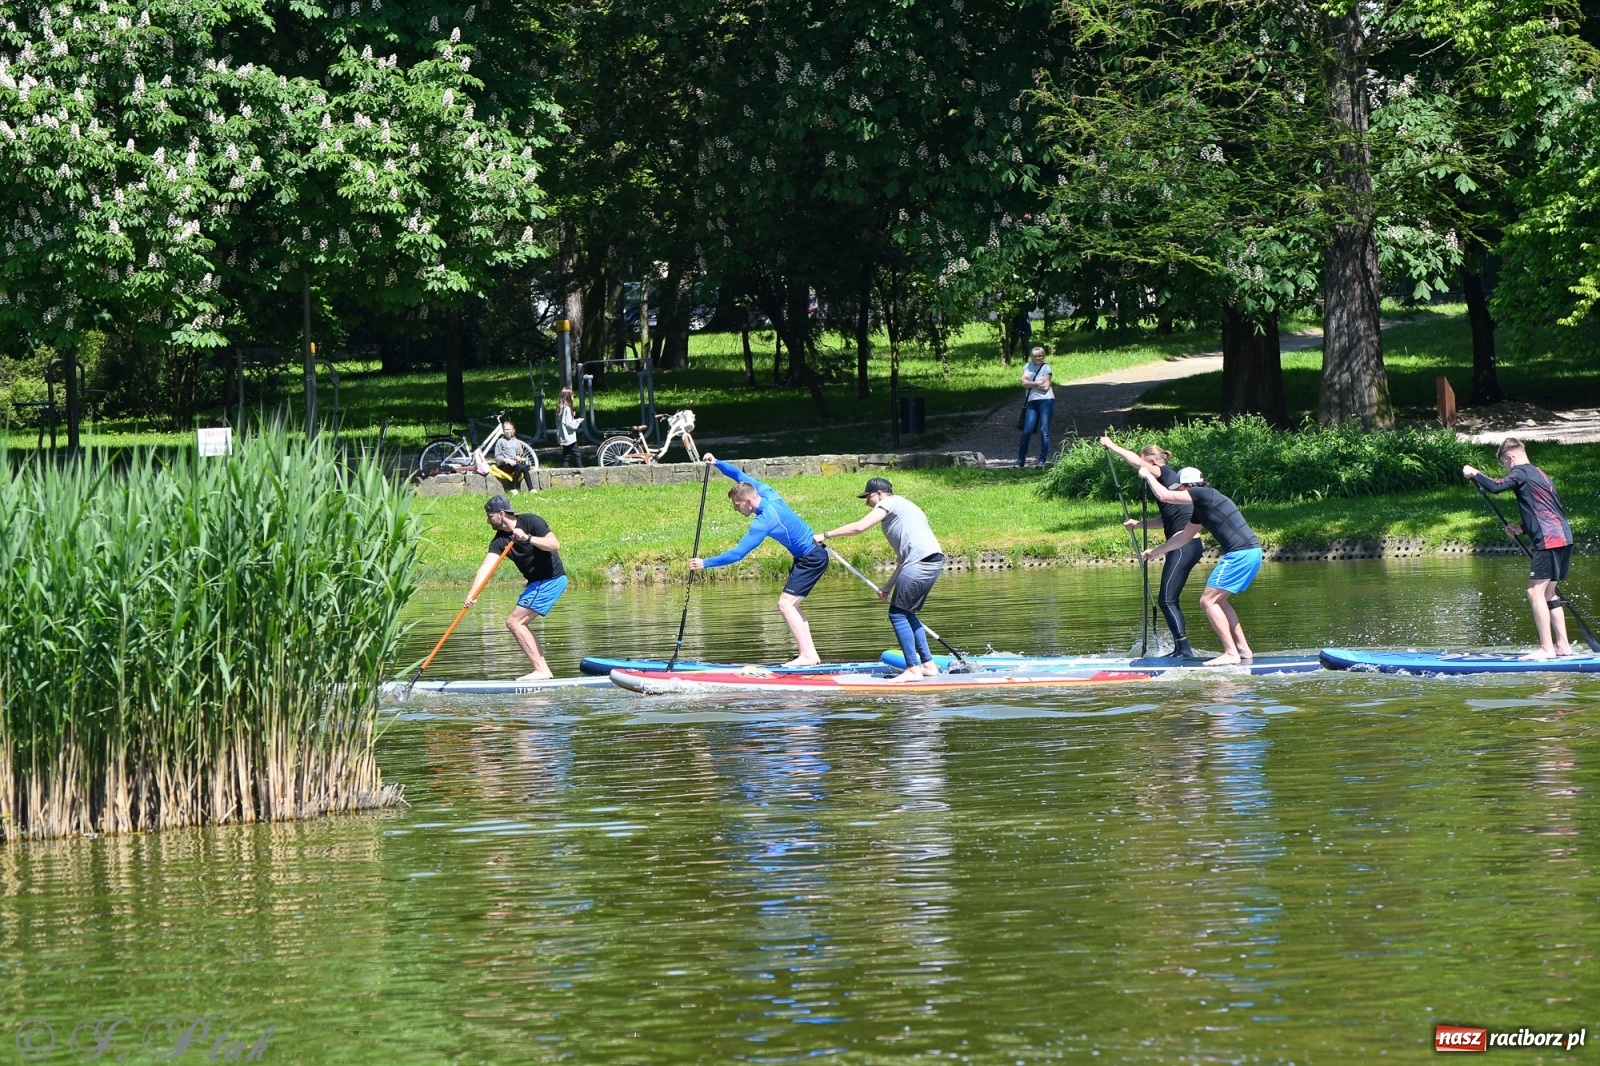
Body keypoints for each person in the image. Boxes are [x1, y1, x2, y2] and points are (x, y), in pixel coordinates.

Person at [688, 454, 830, 666]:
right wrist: (716, 463)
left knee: (785, 605)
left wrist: (705, 563)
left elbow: (738, 554)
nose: (736, 510)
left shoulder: (764, 521)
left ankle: (808, 656)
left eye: (737, 506)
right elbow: (737, 474)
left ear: (748, 502)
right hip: (809, 556)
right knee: (790, 605)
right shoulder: (767, 492)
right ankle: (810, 654)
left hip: (811, 558)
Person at [814, 477, 944, 682]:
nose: (866, 502)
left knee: (897, 614)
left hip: (921, 563)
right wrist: (887, 587)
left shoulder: (889, 503)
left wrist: (826, 535)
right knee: (906, 612)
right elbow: (903, 561)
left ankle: (913, 669)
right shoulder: (903, 509)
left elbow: (859, 528)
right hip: (930, 561)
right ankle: (928, 665)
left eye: (869, 497)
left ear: (880, 494)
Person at [1137, 466, 1262, 666]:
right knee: (1218, 601)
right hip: (1250, 553)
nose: (1179, 492)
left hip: (1240, 553)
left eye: (1181, 488)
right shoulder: (1201, 509)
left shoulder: (1204, 493)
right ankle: (1243, 650)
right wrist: (1155, 552)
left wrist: (1148, 476)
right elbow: (1184, 537)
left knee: (1207, 601)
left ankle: (1230, 653)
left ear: (1188, 486)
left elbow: (1163, 495)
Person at [1464, 438, 1576, 660]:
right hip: (1563, 536)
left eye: (1504, 465)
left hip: (1548, 539)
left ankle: (1546, 649)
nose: (1506, 469)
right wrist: (1522, 528)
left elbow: (1496, 487)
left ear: (1510, 458)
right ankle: (1563, 646)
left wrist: (1475, 473)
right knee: (1549, 593)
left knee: (1534, 592)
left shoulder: (1521, 472)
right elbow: (1549, 509)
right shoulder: (1540, 474)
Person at [1100, 435, 1199, 658]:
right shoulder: (1172, 482)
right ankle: (1180, 648)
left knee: (1167, 599)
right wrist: (1139, 524)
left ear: (1153, 463)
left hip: (1183, 546)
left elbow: (1137, 462)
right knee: (1169, 598)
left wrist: (1112, 446)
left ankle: (1184, 651)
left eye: (1147, 464)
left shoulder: (1164, 472)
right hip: (1188, 545)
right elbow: (1166, 520)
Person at [468, 495, 567, 680]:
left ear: (502, 514)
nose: (487, 520)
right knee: (517, 622)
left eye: (490, 516)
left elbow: (555, 545)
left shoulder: (531, 521)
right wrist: (472, 593)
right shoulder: (499, 541)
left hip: (550, 579)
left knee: (515, 622)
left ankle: (542, 671)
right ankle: (543, 670)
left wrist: (528, 538)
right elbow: (487, 567)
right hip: (535, 584)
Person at [1017, 346, 1054, 468]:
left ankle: (1042, 460)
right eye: (1035, 356)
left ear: (1043, 356)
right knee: (1026, 431)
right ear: (1032, 357)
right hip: (1032, 402)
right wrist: (1039, 382)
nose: (1037, 358)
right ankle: (1020, 461)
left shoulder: (1046, 367)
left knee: (1044, 431)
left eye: (1040, 356)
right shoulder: (1028, 366)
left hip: (1045, 401)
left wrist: (1030, 385)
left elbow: (1046, 387)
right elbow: (1023, 383)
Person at [489, 420, 534, 494]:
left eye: (509, 429)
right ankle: (514, 488)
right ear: (503, 431)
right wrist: (507, 460)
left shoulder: (515, 441)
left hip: (514, 464)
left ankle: (531, 488)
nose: (507, 431)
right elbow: (497, 457)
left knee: (523, 467)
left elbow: (517, 454)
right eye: (505, 429)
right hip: (504, 465)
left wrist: (517, 457)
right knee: (519, 466)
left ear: (513, 430)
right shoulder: (500, 441)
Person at [556, 388, 583, 468]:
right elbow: (569, 424)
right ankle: (581, 469)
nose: (573, 398)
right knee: (577, 454)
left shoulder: (560, 407)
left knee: (566, 455)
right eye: (572, 396)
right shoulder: (567, 409)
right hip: (569, 436)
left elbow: (562, 420)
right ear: (568, 397)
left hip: (562, 436)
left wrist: (571, 415)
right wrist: (578, 420)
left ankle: (565, 470)